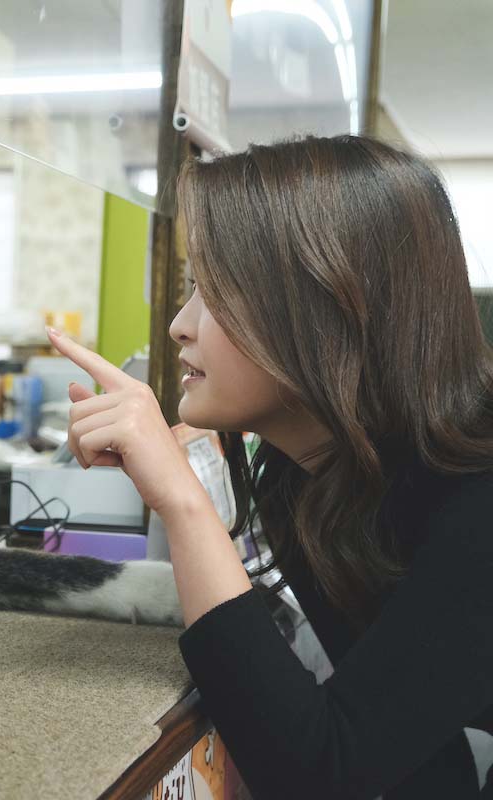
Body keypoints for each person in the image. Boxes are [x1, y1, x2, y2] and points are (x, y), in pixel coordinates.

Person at [47, 135, 493, 799]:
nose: (179, 324)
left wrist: (185, 501)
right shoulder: (305, 474)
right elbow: (397, 745)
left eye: (215, 290)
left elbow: (320, 771)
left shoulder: (478, 502)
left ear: (331, 307)